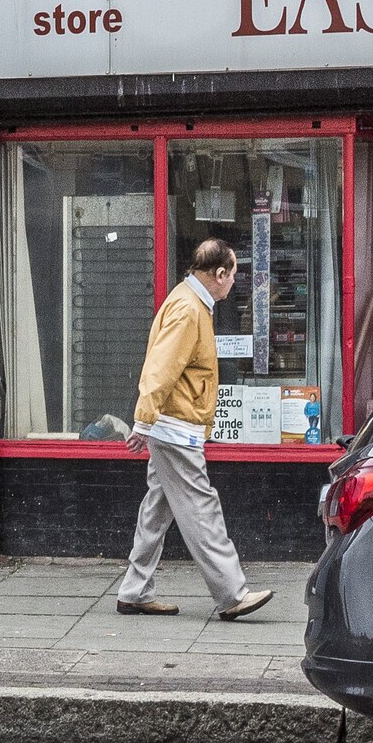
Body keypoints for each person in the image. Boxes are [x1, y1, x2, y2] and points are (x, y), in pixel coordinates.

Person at [116, 236, 274, 620]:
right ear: (218, 274)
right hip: (176, 428)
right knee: (203, 508)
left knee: (156, 511)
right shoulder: (189, 309)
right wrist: (144, 419)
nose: (234, 281)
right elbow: (161, 368)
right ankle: (232, 594)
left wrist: (148, 420)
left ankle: (134, 591)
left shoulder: (190, 302)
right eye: (233, 274)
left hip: (170, 425)